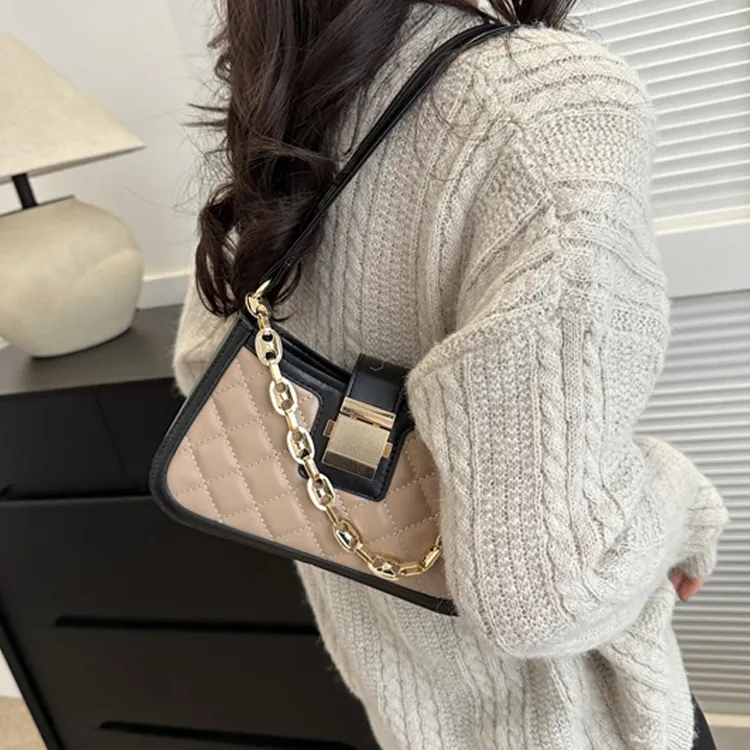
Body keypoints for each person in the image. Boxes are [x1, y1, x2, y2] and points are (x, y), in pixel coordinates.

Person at [173, 2, 730, 748]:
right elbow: (544, 596)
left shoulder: (283, 97)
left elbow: (204, 366)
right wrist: (688, 505)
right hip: (580, 726)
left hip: (404, 703)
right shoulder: (546, 102)